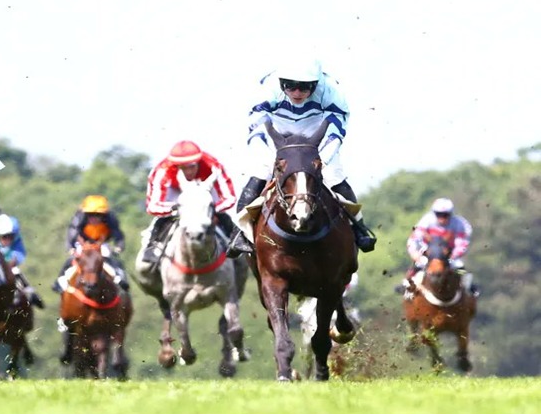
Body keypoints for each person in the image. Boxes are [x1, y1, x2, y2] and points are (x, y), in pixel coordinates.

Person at [227, 59, 377, 258]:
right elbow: (257, 127)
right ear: (281, 83)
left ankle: (359, 229)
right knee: (259, 173)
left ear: (315, 85)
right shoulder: (268, 88)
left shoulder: (331, 91)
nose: (297, 93)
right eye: (290, 86)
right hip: (279, 136)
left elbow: (335, 132)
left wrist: (321, 160)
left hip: (315, 137)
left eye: (304, 88)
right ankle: (238, 235)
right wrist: (269, 157)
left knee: (334, 176)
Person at [141, 140, 238, 269]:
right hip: (177, 191)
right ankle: (151, 246)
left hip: (205, 188)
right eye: (182, 168)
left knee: (223, 214)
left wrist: (210, 210)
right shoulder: (162, 170)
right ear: (175, 166)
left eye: (192, 166)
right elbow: (152, 206)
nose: (188, 172)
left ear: (198, 161)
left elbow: (229, 197)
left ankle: (236, 245)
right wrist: (178, 209)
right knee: (162, 218)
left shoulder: (213, 165)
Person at [400, 197, 479, 296]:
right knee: (418, 265)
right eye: (439, 214)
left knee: (460, 268)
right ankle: (406, 284)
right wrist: (415, 254)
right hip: (429, 253)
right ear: (434, 213)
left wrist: (453, 256)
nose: (442, 218)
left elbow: (462, 244)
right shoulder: (426, 220)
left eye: (445, 215)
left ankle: (469, 285)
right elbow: (414, 239)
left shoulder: (460, 224)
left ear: (450, 214)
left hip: (449, 255)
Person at [53, 195, 128, 292]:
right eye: (90, 215)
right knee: (71, 260)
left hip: (102, 244)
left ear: (104, 215)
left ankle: (121, 281)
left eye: (98, 215)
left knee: (113, 260)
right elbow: (72, 232)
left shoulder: (110, 218)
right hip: (84, 243)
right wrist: (71, 247)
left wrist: (119, 247)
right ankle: (60, 282)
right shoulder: (80, 217)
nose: (94, 218)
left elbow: (117, 233)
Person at [0, 212, 44, 309]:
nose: (8, 240)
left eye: (11, 236)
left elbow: (18, 254)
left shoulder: (15, 241)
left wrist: (12, 262)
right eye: (5, 237)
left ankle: (31, 294)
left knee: (16, 271)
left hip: (9, 266)